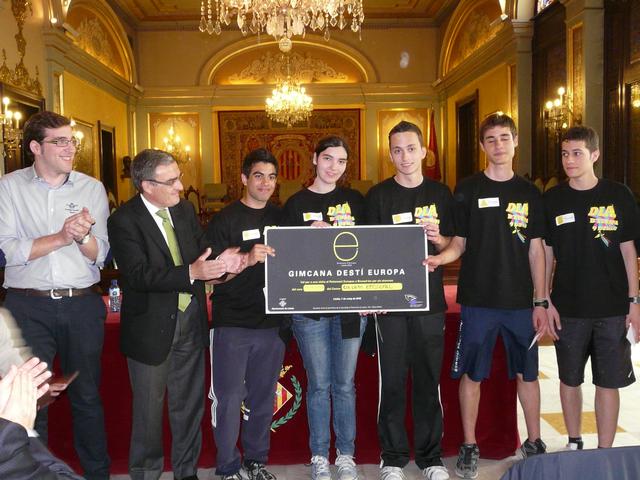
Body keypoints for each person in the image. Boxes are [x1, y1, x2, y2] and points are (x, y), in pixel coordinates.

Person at [107, 149, 246, 480]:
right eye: (171, 181)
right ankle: (146, 474)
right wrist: (192, 273)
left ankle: (187, 472)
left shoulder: (183, 210)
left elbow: (200, 251)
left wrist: (222, 263)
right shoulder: (123, 220)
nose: (181, 187)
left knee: (188, 407)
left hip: (190, 320)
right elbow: (138, 275)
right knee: (148, 413)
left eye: (179, 178)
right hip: (150, 328)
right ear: (147, 185)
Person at [426, 113, 547, 479]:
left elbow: (536, 250)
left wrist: (541, 300)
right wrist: (440, 258)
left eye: (504, 138)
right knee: (472, 373)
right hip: (478, 300)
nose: (498, 145)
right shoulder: (468, 189)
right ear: (482, 146)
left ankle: (535, 442)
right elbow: (459, 243)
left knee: (528, 373)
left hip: (520, 302)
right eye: (491, 139)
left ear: (515, 142)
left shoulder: (529, 193)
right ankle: (469, 444)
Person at [0, 110, 111, 479]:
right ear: (36, 147)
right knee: (31, 400)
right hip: (27, 306)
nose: (70, 148)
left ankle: (97, 474)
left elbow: (102, 254)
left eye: (71, 140)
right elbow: (6, 251)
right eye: (60, 141)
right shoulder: (8, 187)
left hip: (82, 304)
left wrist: (83, 237)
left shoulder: (92, 188)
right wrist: (61, 237)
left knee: (88, 396)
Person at [365, 121, 453, 480]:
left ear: (424, 151)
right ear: (390, 154)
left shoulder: (441, 193)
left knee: (428, 381)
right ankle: (393, 458)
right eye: (397, 150)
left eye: (411, 148)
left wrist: (438, 239)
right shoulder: (378, 196)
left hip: (429, 303)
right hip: (390, 306)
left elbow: (453, 245)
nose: (405, 156)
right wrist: (374, 293)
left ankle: (431, 458)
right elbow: (368, 252)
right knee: (393, 382)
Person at [542, 126, 640, 450]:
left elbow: (628, 250)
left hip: (612, 307)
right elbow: (546, 253)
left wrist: (634, 301)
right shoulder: (553, 199)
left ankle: (605, 450)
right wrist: (544, 300)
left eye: (577, 153)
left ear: (594, 155)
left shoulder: (618, 195)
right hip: (568, 307)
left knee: (608, 382)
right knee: (569, 379)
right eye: (564, 154)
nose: (569, 160)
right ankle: (574, 441)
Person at [281, 136, 366, 480]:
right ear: (315, 159)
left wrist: (372, 296)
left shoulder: (355, 201)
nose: (334, 167)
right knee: (318, 384)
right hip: (309, 308)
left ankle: (345, 455)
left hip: (349, 306)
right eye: (328, 158)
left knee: (344, 384)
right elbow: (283, 257)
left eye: (341, 161)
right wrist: (307, 234)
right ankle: (319, 455)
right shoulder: (295, 204)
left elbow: (370, 250)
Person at [206, 148, 284, 480]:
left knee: (263, 398)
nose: (265, 183)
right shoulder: (224, 220)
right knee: (228, 399)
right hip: (232, 323)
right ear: (244, 178)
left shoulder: (282, 217)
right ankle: (227, 467)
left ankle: (256, 461)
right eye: (258, 176)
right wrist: (247, 260)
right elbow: (211, 276)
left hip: (272, 323)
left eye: (271, 177)